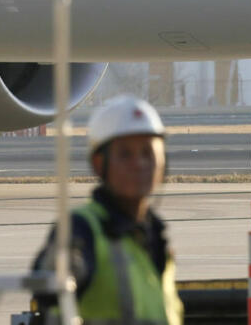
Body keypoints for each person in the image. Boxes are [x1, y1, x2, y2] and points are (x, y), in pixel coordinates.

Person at [32, 95, 183, 325]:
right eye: (125, 154)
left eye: (148, 152)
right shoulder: (83, 229)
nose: (139, 164)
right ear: (98, 163)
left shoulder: (155, 237)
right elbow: (46, 283)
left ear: (163, 163)